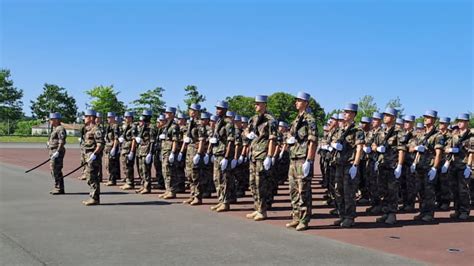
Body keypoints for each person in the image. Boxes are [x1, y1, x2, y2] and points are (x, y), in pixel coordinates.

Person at [285, 92, 318, 231]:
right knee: (293, 190)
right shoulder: (296, 120)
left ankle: (304, 220)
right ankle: (296, 217)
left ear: (306, 103)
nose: (296, 103)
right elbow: (290, 134)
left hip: (303, 158)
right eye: (296, 100)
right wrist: (289, 139)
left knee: (303, 191)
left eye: (299, 100)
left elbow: (313, 141)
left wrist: (309, 161)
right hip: (293, 158)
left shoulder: (309, 120)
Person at [245, 95, 277, 221]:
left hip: (262, 155)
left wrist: (269, 156)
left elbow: (272, 139)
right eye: (255, 104)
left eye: (258, 104)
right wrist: (248, 134)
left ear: (264, 105)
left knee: (261, 184)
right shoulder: (252, 119)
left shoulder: (270, 120)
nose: (255, 106)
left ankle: (263, 211)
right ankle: (257, 208)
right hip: (253, 154)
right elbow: (245, 132)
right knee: (252, 183)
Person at [332, 103, 364, 228]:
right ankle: (342, 215)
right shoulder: (340, 130)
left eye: (347, 112)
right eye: (344, 112)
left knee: (348, 192)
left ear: (353, 114)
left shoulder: (358, 130)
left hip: (349, 165)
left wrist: (355, 165)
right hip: (339, 164)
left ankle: (350, 217)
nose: (345, 114)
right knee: (338, 191)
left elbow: (359, 148)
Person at [373, 107, 405, 225]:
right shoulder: (381, 131)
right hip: (382, 164)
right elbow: (373, 144)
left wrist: (399, 166)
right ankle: (385, 212)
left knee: (392, 190)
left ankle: (392, 214)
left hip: (392, 165)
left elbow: (402, 149)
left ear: (394, 118)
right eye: (384, 115)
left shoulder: (398, 132)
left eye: (387, 115)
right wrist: (376, 148)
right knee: (383, 190)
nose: (385, 117)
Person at [412, 110, 444, 222]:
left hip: (430, 166)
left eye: (428, 117)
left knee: (429, 191)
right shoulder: (421, 134)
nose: (425, 119)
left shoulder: (438, 135)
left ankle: (429, 213)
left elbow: (439, 153)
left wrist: (435, 168)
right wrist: (415, 162)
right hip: (420, 165)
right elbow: (414, 149)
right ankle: (422, 211)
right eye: (425, 117)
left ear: (434, 120)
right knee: (420, 191)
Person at [209, 100, 236, 212]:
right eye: (217, 108)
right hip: (217, 153)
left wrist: (226, 157)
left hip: (224, 154)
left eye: (219, 108)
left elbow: (230, 141)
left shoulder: (228, 123)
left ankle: (225, 202)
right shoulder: (218, 122)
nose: (217, 110)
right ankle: (220, 200)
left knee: (224, 179)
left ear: (224, 110)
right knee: (217, 179)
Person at [446, 113, 472, 220]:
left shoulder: (471, 137)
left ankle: (465, 211)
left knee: (463, 190)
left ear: (467, 123)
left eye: (462, 121)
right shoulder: (455, 136)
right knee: (454, 189)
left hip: (463, 166)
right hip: (454, 165)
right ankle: (457, 210)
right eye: (458, 121)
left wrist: (469, 166)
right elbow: (447, 148)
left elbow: (472, 152)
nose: (459, 123)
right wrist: (450, 151)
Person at [82, 109, 104, 206]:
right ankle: (92, 196)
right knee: (89, 177)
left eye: (86, 116)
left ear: (91, 118)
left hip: (93, 158)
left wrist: (94, 154)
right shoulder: (87, 129)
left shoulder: (96, 130)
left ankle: (95, 198)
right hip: (88, 157)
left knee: (93, 177)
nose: (84, 118)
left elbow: (100, 144)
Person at [159, 107, 180, 199]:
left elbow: (175, 140)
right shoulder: (167, 125)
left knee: (170, 172)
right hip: (165, 150)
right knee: (165, 171)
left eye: (168, 112)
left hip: (169, 151)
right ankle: (167, 190)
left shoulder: (174, 126)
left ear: (172, 114)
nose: (166, 114)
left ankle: (172, 191)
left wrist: (173, 152)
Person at [135, 110, 156, 194]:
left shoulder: (151, 127)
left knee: (146, 170)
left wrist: (150, 153)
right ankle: (142, 185)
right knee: (140, 169)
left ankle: (147, 187)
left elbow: (152, 141)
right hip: (140, 150)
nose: (142, 117)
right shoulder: (142, 127)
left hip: (147, 150)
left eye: (144, 116)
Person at [47, 112, 67, 195]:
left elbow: (61, 141)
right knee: (53, 169)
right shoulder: (55, 129)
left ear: (56, 120)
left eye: (51, 119)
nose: (50, 121)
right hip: (53, 151)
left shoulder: (60, 129)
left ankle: (59, 188)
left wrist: (58, 151)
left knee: (56, 169)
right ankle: (57, 186)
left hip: (57, 152)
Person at [119, 111, 138, 190]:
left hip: (129, 148)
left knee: (128, 166)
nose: (126, 119)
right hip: (124, 148)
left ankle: (130, 182)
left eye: (127, 117)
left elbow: (134, 139)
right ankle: (127, 181)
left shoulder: (133, 127)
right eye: (125, 117)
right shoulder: (125, 126)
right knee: (124, 166)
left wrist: (132, 151)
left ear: (131, 118)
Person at [104, 112, 121, 186]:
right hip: (107, 148)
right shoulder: (109, 127)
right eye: (108, 117)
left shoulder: (115, 126)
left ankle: (112, 180)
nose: (108, 119)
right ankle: (109, 179)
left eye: (109, 117)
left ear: (113, 118)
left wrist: (114, 148)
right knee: (107, 164)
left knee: (112, 165)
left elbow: (116, 138)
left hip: (112, 148)